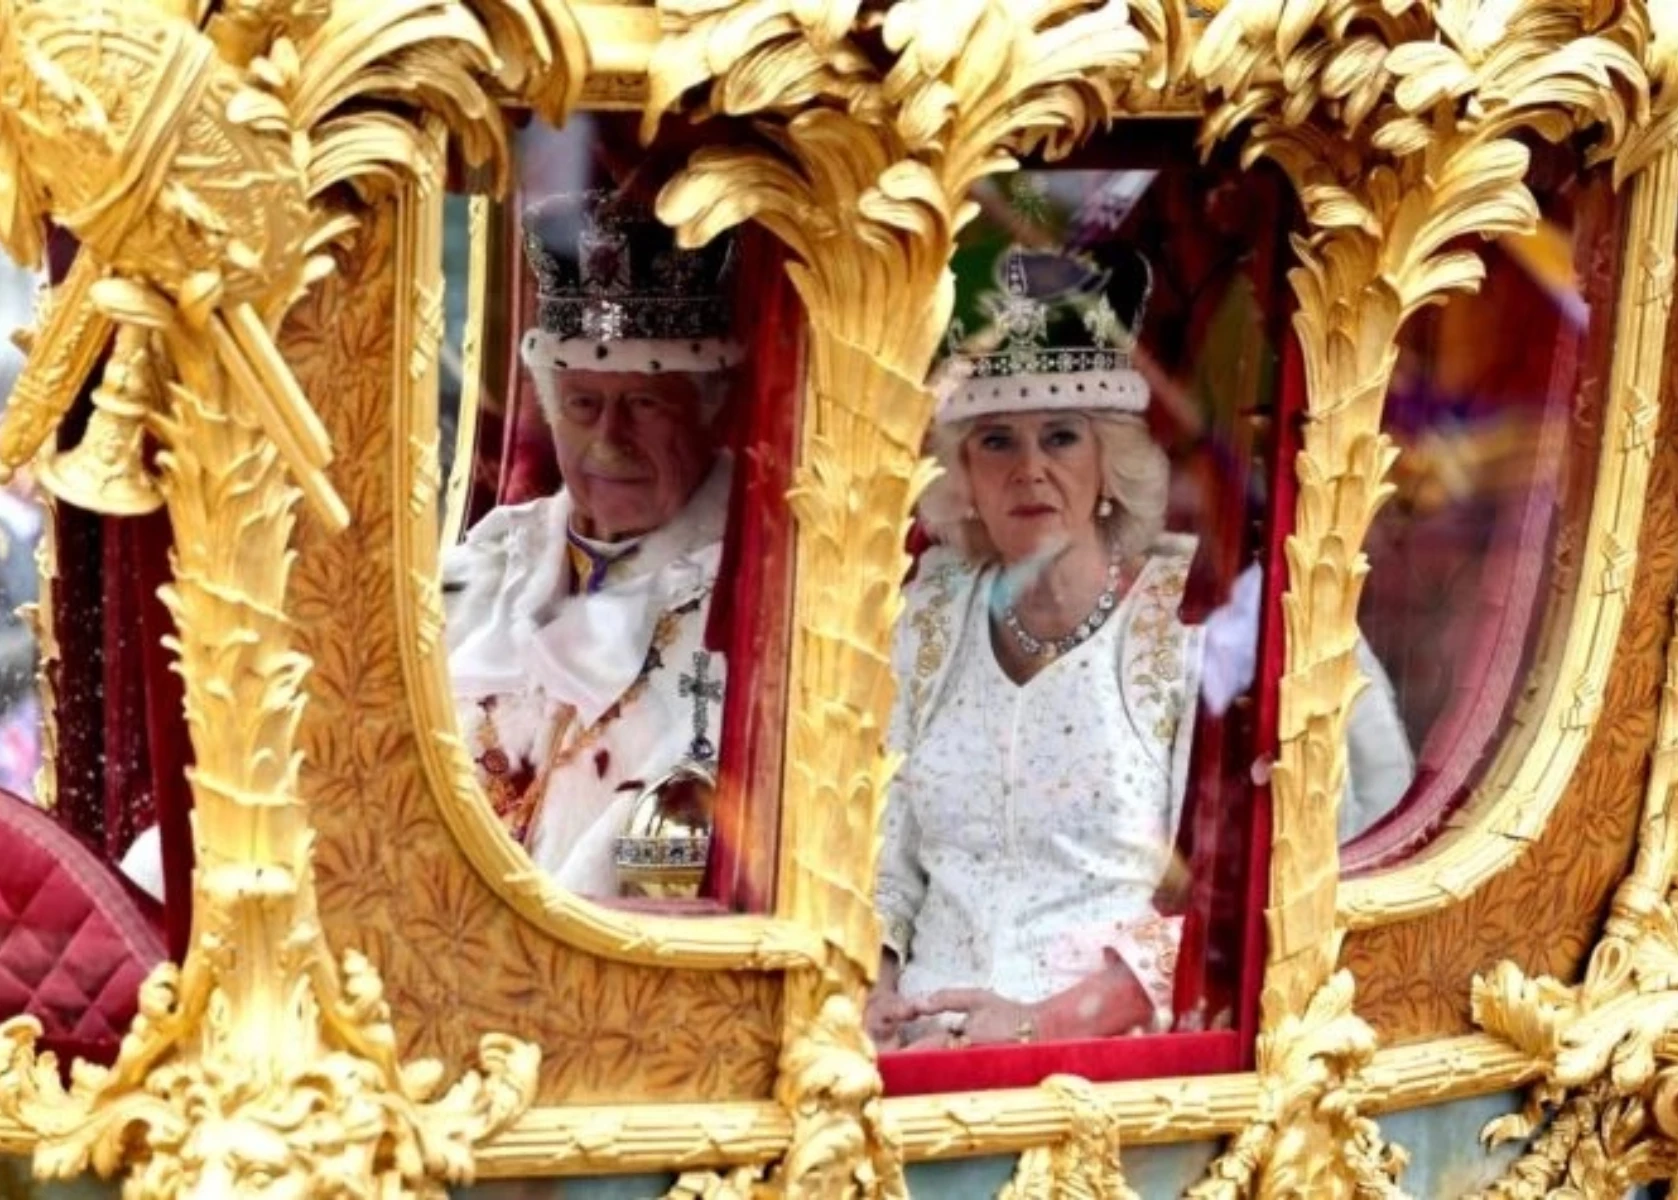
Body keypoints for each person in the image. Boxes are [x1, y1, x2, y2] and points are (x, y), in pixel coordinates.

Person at [868, 245, 1412, 1051]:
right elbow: (881, 847)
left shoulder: (1203, 614)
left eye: (1060, 437)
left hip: (1117, 1058)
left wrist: (1036, 1025)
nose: (1029, 471)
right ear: (964, 475)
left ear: (1111, 463)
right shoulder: (927, 608)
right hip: (912, 1042)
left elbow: (1261, 888)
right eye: (996, 442)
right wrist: (869, 987)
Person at [443, 189, 741, 896]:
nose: (609, 441)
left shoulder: (749, 587)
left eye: (643, 403)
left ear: (709, 407)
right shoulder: (495, 555)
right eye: (583, 405)